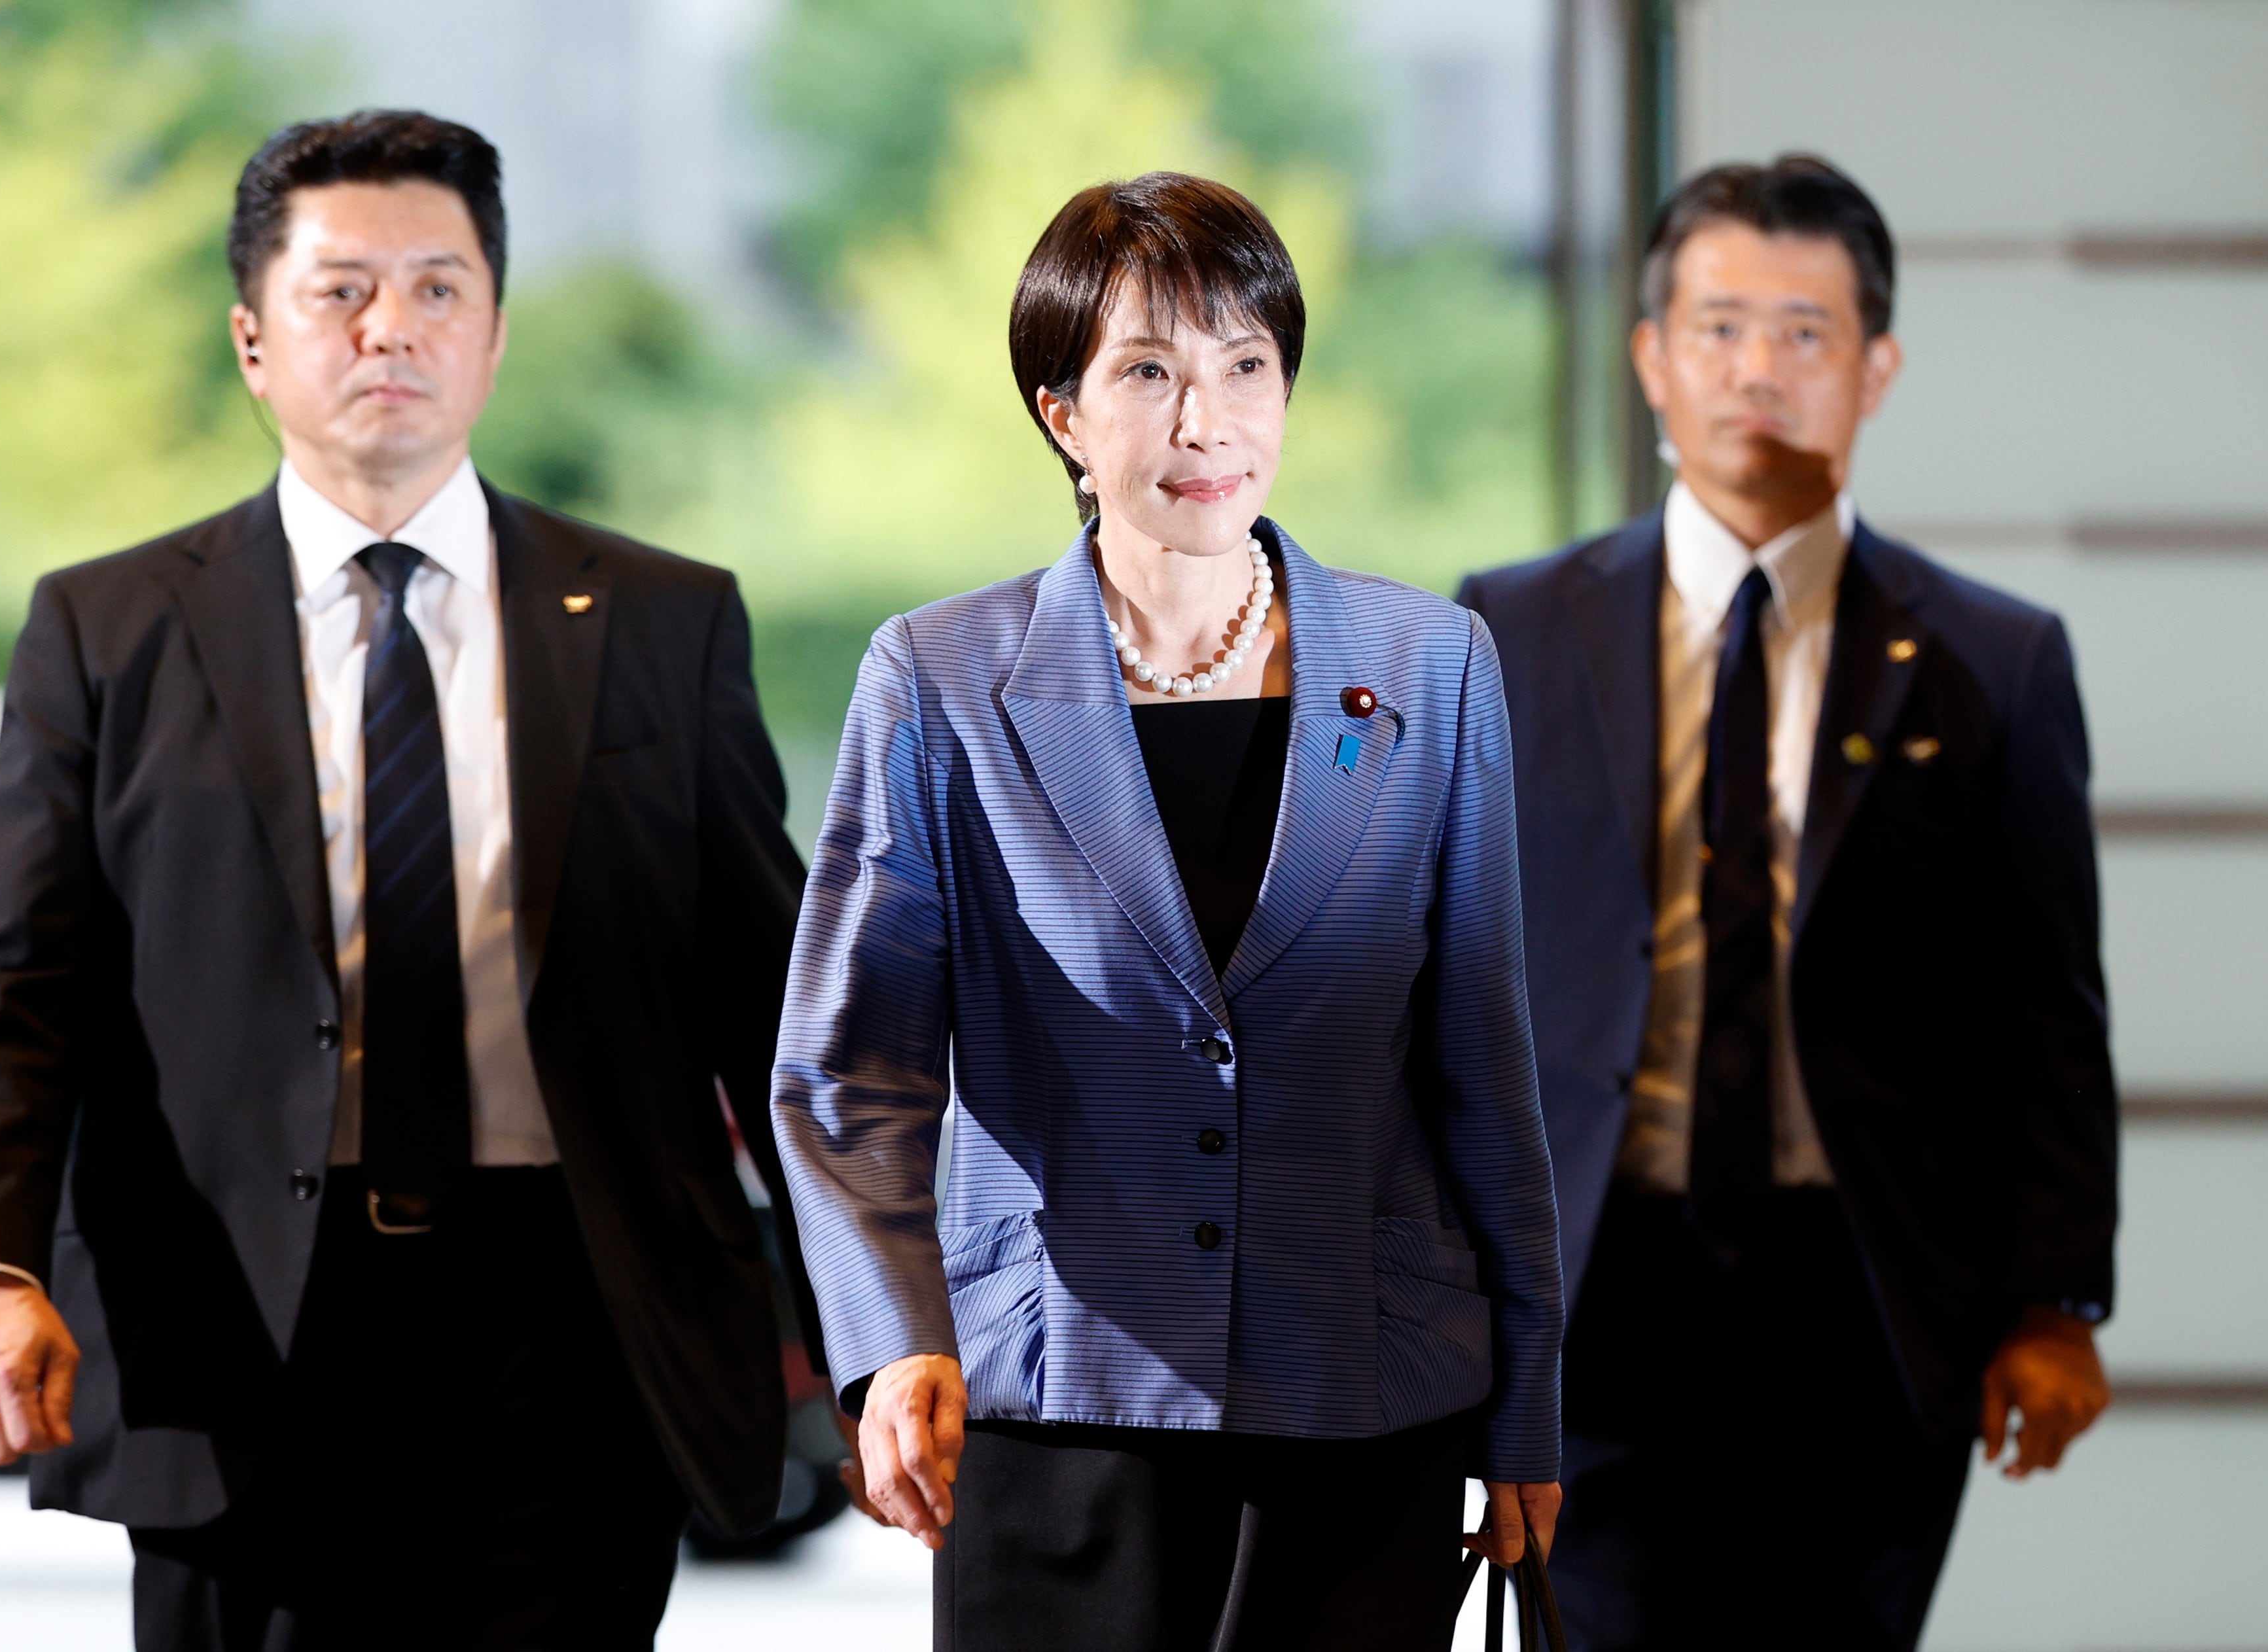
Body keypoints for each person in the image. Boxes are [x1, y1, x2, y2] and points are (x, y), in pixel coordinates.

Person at [0, 110, 826, 1649]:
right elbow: (6, 983)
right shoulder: (111, 628)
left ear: (495, 335)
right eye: (341, 290)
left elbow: (777, 1008)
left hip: (575, 1332)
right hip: (236, 1328)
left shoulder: (664, 623)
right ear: (254, 338)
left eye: (437, 287)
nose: (391, 326)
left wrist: (881, 1337)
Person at [771, 171, 1564, 1652]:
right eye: (1148, 372)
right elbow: (846, 1066)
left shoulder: (1433, 666)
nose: (1208, 424)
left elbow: (1481, 1066)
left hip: (1368, 1395)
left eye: (1245, 367)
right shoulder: (941, 681)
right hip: (1057, 1404)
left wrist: (1530, 1395)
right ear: (1062, 413)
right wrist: (895, 1344)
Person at [1460, 154, 2118, 1649]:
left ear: (1877, 368)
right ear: (1650, 360)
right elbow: (1449, 980)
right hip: (1598, 1285)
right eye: (1720, 327)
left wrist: (2055, 1304)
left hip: (1873, 1296)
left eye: (1807, 333)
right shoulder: (1507, 626)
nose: (1759, 368)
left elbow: (2048, 1004)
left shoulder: (1995, 661)